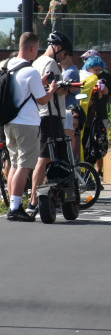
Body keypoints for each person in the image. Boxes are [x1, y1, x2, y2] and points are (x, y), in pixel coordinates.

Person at [4, 33, 58, 221]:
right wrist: (50, 90)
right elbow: (42, 100)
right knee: (24, 166)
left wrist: (39, 84)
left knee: (14, 163)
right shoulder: (31, 71)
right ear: (32, 48)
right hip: (26, 123)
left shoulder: (6, 65)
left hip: (9, 122)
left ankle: (12, 203)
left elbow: (21, 90)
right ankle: (16, 207)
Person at [28, 31, 74, 215]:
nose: (64, 57)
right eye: (64, 53)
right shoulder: (51, 63)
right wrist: (66, 87)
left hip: (40, 114)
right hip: (51, 115)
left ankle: (45, 197)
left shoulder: (37, 62)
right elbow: (55, 90)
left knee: (46, 158)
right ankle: (33, 201)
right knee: (45, 157)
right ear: (57, 48)